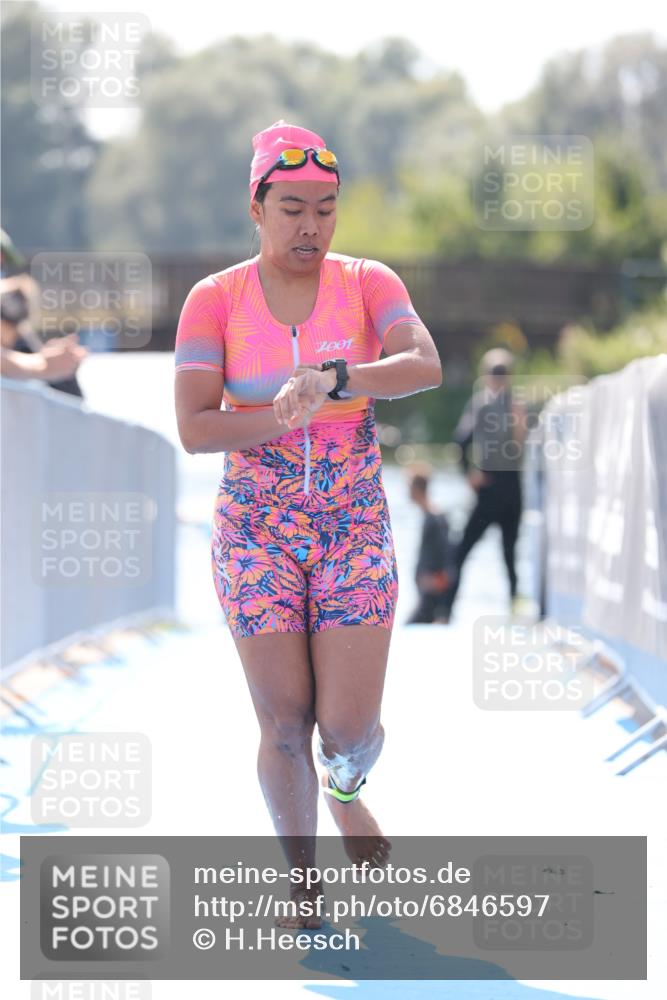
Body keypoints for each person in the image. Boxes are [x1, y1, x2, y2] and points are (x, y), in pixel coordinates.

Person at [174, 119, 442, 927]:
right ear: (256, 208)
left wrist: (335, 378)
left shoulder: (366, 283)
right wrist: (279, 416)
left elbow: (423, 364)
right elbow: (194, 427)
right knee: (284, 723)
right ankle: (302, 884)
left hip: (350, 524)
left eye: (325, 209)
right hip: (254, 530)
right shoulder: (214, 299)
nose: (310, 227)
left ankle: (347, 788)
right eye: (291, 208)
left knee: (346, 731)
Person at [440, 348, 526, 619]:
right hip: (512, 488)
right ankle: (513, 606)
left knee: (462, 551)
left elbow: (461, 442)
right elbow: (525, 448)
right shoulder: (517, 406)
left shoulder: (481, 403)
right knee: (509, 554)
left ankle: (445, 610)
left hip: (489, 489)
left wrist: (469, 474)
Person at [406, 466, 452, 624]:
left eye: (409, 487)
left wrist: (437, 580)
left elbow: (446, 553)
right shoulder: (429, 516)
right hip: (426, 591)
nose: (407, 492)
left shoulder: (435, 518)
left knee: (410, 626)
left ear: (416, 489)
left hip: (432, 592)